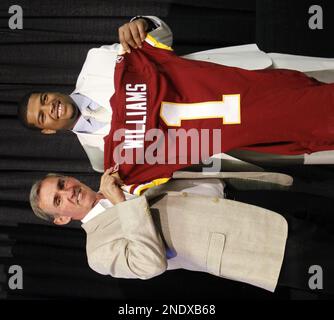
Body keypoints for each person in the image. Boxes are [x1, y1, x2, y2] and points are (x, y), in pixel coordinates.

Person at [17, 16, 334, 172]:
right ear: (46, 130)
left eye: (45, 99)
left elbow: (160, 39)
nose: (51, 107)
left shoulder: (96, 60)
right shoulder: (102, 160)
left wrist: (141, 24)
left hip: (231, 83)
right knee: (311, 134)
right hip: (234, 136)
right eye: (43, 115)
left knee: (309, 93)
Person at [30, 170, 334, 294]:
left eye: (61, 184)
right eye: (58, 200)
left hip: (243, 194)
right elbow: (150, 263)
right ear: (61, 220)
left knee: (324, 205)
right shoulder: (97, 252)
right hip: (249, 244)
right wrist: (121, 201)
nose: (67, 192)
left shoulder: (114, 173)